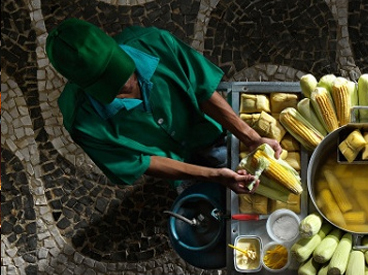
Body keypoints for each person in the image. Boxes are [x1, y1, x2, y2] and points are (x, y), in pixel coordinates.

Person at [45, 18, 281, 194]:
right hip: (175, 164)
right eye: (113, 87)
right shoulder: (82, 122)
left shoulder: (156, 43)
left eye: (123, 71)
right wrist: (215, 176)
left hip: (207, 129)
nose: (127, 85)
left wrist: (249, 137)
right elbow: (142, 161)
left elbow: (200, 88)